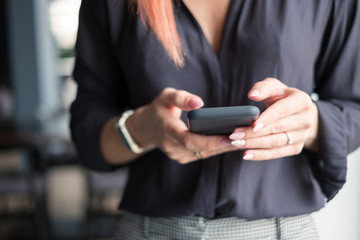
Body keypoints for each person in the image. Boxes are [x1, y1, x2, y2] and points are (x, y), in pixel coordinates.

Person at [70, 0, 360, 239]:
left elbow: (354, 109)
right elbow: (87, 134)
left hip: (281, 231)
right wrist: (140, 129)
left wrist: (311, 123)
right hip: (151, 231)